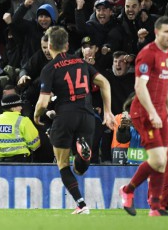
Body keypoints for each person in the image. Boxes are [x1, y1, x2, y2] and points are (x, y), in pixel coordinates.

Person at [34, 26, 115, 215]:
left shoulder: (49, 68)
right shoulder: (81, 62)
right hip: (87, 116)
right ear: (67, 45)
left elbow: (43, 102)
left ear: (50, 45)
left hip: (65, 116)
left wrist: (37, 115)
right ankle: (83, 154)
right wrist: (108, 112)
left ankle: (81, 204)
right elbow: (104, 82)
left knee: (63, 164)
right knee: (80, 169)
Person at [119, 16, 168, 217]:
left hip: (160, 112)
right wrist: (152, 113)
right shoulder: (147, 54)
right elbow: (139, 87)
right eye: (166, 32)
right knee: (158, 158)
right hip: (143, 111)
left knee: (162, 160)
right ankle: (128, 191)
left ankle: (155, 207)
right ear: (156, 33)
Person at [0, 93, 40, 162]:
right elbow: (34, 143)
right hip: (20, 161)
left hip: (0, 161)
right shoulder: (23, 121)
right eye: (19, 105)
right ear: (13, 108)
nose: (21, 108)